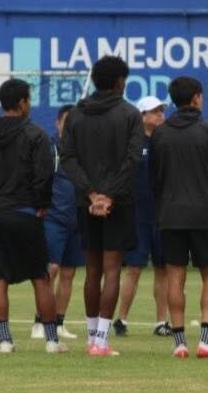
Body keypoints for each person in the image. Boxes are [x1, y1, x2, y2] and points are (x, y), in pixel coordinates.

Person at [0, 78, 67, 354]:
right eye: (28, 99)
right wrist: (42, 204)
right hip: (25, 212)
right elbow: (44, 175)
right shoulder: (35, 134)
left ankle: (6, 340)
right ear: (22, 102)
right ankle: (52, 341)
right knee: (40, 277)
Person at [59, 56, 145, 356]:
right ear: (120, 81)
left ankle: (91, 336)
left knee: (92, 271)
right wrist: (108, 195)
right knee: (111, 271)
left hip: (87, 203)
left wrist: (91, 193)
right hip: (118, 203)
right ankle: (102, 341)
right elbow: (132, 160)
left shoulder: (76, 115)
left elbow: (68, 158)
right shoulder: (130, 114)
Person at [150, 76, 208, 360]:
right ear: (197, 97)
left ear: (173, 100)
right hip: (203, 214)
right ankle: (206, 340)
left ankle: (179, 342)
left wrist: (163, 206)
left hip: (170, 214)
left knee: (175, 275)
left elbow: (155, 178)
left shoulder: (160, 134)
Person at [116, 95, 169, 338]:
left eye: (161, 111)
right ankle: (121, 319)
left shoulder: (167, 142)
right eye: (154, 111)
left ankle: (161, 322)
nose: (160, 115)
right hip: (137, 216)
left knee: (163, 269)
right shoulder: (132, 143)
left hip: (163, 215)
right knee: (134, 269)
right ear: (142, 116)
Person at [35, 105, 82, 342]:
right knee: (50, 269)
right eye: (67, 122)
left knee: (69, 273)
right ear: (58, 123)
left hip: (77, 219)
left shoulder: (84, 150)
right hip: (53, 218)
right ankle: (40, 321)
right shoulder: (49, 148)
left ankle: (60, 322)